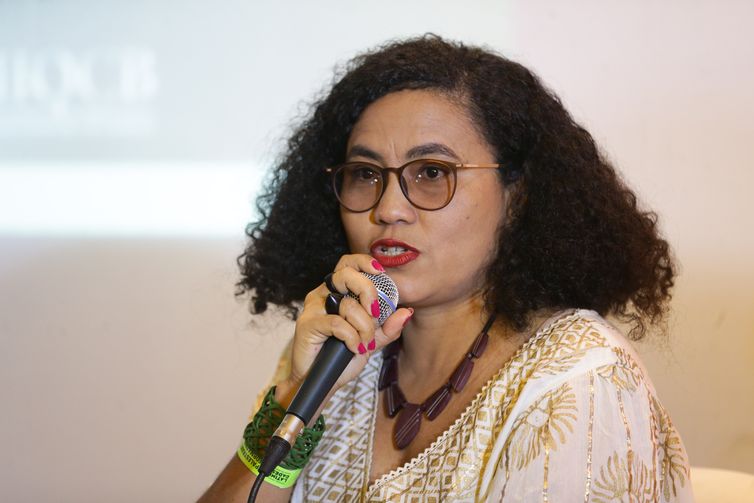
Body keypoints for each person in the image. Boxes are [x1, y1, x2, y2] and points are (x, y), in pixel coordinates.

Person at [198, 35, 693, 502]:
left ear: (517, 197)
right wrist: (299, 395)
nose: (389, 208)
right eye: (366, 175)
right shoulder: (338, 348)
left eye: (432, 173)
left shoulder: (580, 380)